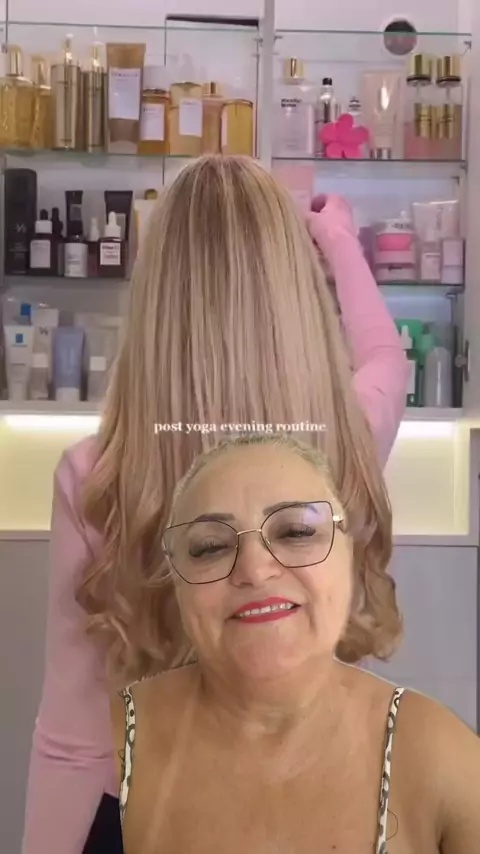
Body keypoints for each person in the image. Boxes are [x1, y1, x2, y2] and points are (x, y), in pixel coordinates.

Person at [22, 155, 408, 854]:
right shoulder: (344, 442)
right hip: (314, 812)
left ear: (157, 299)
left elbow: (74, 739)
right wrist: (339, 239)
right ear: (294, 295)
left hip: (145, 816)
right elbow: (386, 355)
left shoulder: (99, 478)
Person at [112, 432, 480, 854]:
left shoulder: (441, 757)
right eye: (210, 547)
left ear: (352, 556)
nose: (255, 570)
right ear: (176, 581)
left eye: (296, 532)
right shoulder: (110, 745)